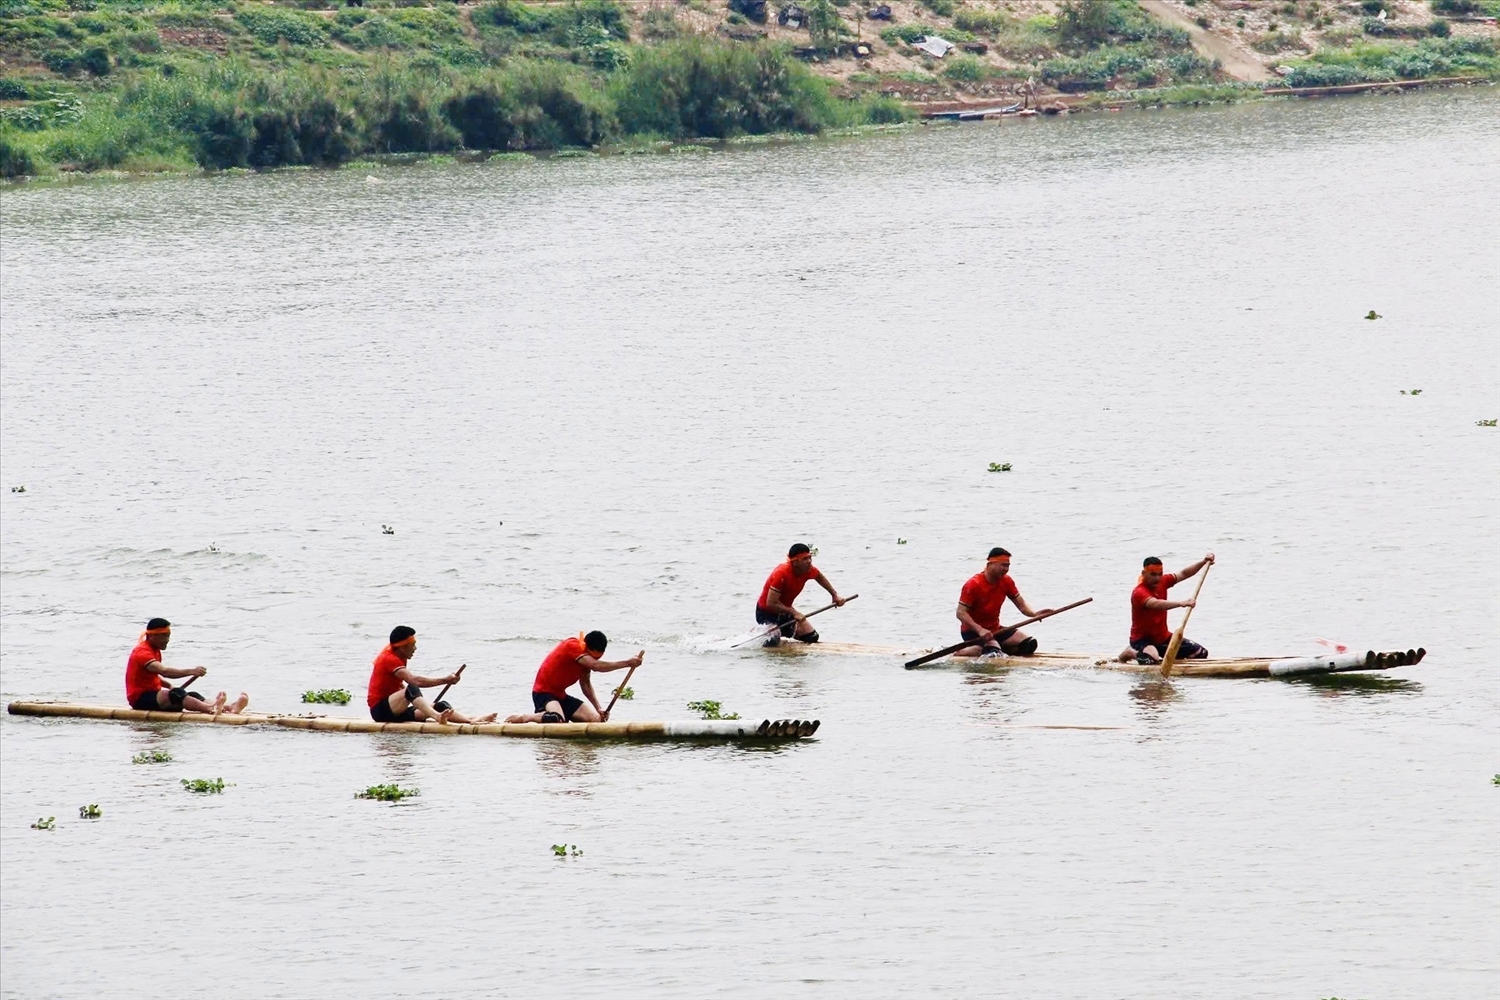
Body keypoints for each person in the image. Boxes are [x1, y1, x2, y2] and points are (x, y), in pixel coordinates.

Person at [505, 631, 643, 723]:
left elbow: (586, 684)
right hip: (543, 693)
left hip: (561, 696)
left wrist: (599, 709)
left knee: (596, 720)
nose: (593, 659)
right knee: (557, 719)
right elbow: (595, 666)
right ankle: (525, 717)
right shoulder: (573, 645)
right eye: (592, 655)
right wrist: (627, 663)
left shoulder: (587, 661)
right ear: (587, 647)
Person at [367, 626, 496, 725]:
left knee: (440, 705)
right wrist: (446, 680)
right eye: (413, 645)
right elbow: (415, 681)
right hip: (380, 711)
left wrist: (422, 704)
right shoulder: (389, 658)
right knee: (412, 688)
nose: (415, 648)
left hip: (396, 709)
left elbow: (398, 685)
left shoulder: (401, 658)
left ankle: (471, 721)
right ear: (402, 647)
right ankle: (437, 717)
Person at [125, 618, 249, 715]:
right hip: (139, 700)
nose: (167, 639)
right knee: (176, 694)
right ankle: (211, 708)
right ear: (152, 636)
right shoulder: (142, 652)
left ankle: (229, 708)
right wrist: (191, 671)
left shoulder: (154, 649)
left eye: (168, 635)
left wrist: (169, 685)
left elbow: (152, 676)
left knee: (190, 694)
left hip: (153, 696)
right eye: (164, 636)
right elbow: (164, 671)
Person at [954, 548, 1055, 657]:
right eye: (1003, 565)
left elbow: (1021, 605)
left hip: (995, 629)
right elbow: (960, 613)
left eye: (1008, 566)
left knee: (1029, 644)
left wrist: (1034, 614)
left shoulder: (1007, 581)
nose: (1006, 569)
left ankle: (995, 647)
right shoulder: (973, 584)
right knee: (993, 654)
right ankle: (961, 653)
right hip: (974, 632)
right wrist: (980, 630)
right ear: (990, 564)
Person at [1125, 554, 1215, 664]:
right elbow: (1155, 603)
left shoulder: (1163, 581)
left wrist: (1203, 562)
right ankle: (1130, 653)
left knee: (1200, 653)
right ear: (1144, 574)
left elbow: (1183, 573)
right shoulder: (1139, 592)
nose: (1157, 578)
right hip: (1141, 640)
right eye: (1153, 575)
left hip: (1162, 637)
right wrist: (1181, 603)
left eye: (1160, 574)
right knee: (1151, 659)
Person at [755, 543, 847, 645]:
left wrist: (834, 595)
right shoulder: (781, 573)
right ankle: (762, 631)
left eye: (810, 558)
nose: (809, 561)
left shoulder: (808, 569)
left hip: (785, 612)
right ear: (795, 562)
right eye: (804, 559)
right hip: (766, 612)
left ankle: (778, 632)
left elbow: (820, 578)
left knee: (812, 637)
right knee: (772, 642)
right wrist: (794, 613)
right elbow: (771, 603)